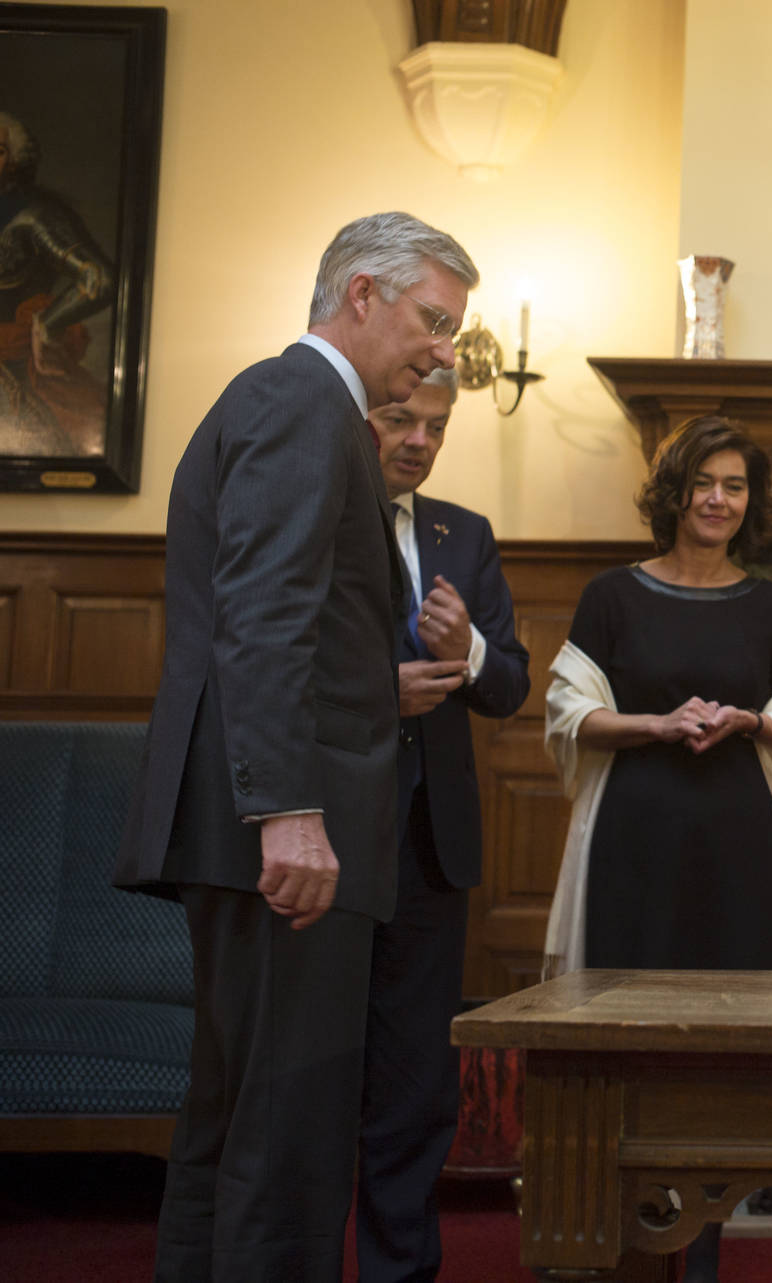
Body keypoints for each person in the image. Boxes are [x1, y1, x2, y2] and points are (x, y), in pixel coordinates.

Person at [112, 211, 478, 1281]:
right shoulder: (301, 401)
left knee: (236, 1125)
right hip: (284, 837)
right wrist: (291, 810)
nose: (443, 352)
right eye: (433, 320)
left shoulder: (307, 409)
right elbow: (263, 615)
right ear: (361, 293)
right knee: (289, 1137)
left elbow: (299, 630)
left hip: (268, 827)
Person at [542, 414, 772, 1283]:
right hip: (631, 842)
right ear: (674, 492)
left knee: (716, 1052)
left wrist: (752, 720)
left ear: (752, 501)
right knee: (625, 1046)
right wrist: (657, 723)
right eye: (704, 482)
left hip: (740, 848)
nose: (718, 499)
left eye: (735, 485)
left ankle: (700, 1249)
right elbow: (567, 714)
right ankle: (608, 1246)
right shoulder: (612, 595)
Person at [358, 366, 530, 1282]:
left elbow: (511, 686)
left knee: (418, 1088)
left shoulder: (463, 534)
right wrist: (374, 697)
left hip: (433, 847)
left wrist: (469, 651)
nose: (419, 439)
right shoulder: (318, 513)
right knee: (318, 1082)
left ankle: (400, 1272)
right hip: (328, 838)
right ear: (362, 421)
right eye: (399, 419)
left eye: (435, 425)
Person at [0, 110, 116, 456]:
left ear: (14, 159)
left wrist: (43, 324)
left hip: (15, 369)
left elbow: (98, 278)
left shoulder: (34, 215)